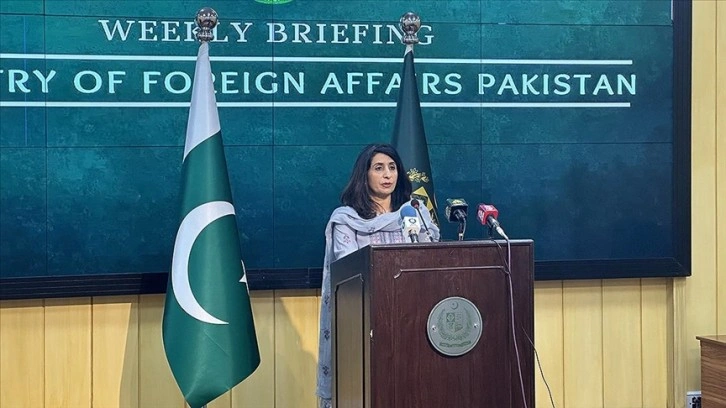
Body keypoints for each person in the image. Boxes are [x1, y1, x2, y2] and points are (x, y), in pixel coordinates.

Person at [316, 143, 440, 407]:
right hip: (366, 322)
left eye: (392, 168)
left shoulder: (414, 212)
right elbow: (348, 270)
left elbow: (431, 259)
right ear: (364, 175)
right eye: (379, 168)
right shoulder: (347, 219)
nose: (387, 175)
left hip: (416, 318)